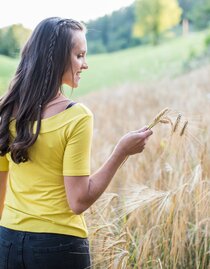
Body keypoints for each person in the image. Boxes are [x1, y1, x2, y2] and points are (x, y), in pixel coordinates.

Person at [0, 17, 153, 269]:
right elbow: (79, 201)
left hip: (7, 242)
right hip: (57, 247)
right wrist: (121, 152)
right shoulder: (77, 116)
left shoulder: (4, 112)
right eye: (79, 55)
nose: (86, 65)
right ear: (57, 59)